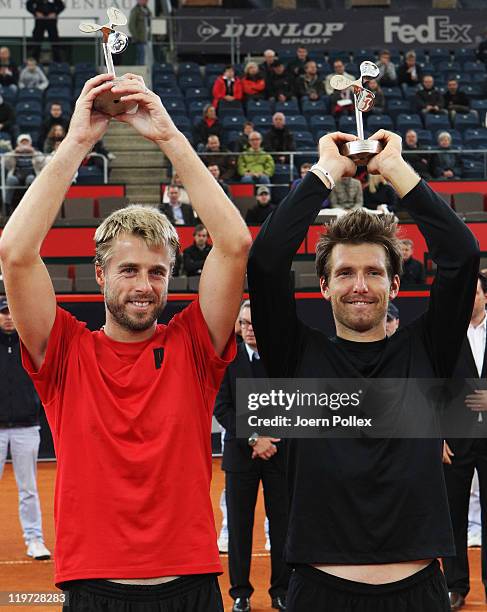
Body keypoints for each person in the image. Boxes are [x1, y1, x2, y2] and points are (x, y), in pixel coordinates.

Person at [0, 72, 251, 610]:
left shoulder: (193, 346)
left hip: (191, 583)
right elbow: (16, 252)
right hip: (93, 586)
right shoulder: (65, 351)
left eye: (157, 272)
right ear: (100, 274)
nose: (144, 286)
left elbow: (234, 243)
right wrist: (78, 142)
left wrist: (167, 136)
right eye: (129, 269)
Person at [247, 129, 479, 611]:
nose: (360, 286)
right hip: (319, 593)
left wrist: (395, 170)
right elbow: (266, 261)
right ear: (324, 287)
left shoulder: (427, 350)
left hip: (417, 593)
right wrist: (326, 173)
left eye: (374, 272)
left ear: (395, 284)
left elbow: (460, 257)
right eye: (345, 274)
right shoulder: (295, 357)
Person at [214, 300, 289, 612]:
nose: (249, 329)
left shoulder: (283, 360)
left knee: (282, 526)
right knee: (240, 528)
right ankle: (240, 594)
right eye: (244, 323)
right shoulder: (228, 361)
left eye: (254, 324)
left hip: (279, 454)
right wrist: (256, 438)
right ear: (238, 326)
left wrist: (271, 440)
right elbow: (223, 408)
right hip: (242, 456)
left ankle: (281, 592)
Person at [442, 273, 487, 611]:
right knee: (453, 514)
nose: (469, 299)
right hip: (455, 437)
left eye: (474, 293)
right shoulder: (446, 336)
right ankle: (455, 585)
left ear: (485, 296)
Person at [0, 297, 51, 561]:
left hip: (26, 427)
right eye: (3, 313)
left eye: (11, 312)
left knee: (28, 488)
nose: (8, 317)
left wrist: (34, 410)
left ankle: (34, 540)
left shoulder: (30, 345)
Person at [4, 134, 45, 215]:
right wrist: (14, 152)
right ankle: (7, 206)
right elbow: (6, 163)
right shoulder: (13, 153)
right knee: (10, 180)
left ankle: (30, 205)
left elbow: (43, 163)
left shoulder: (36, 153)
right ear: (18, 144)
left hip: (30, 176)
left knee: (30, 179)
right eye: (22, 143)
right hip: (17, 177)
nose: (24, 145)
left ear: (30, 144)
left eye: (26, 142)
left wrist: (33, 152)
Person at [128, 0, 152, 66]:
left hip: (147, 37)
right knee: (140, 55)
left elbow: (150, 21)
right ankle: (140, 67)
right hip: (139, 38)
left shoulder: (146, 10)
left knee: (145, 55)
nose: (146, 2)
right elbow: (131, 25)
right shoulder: (135, 10)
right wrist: (136, 36)